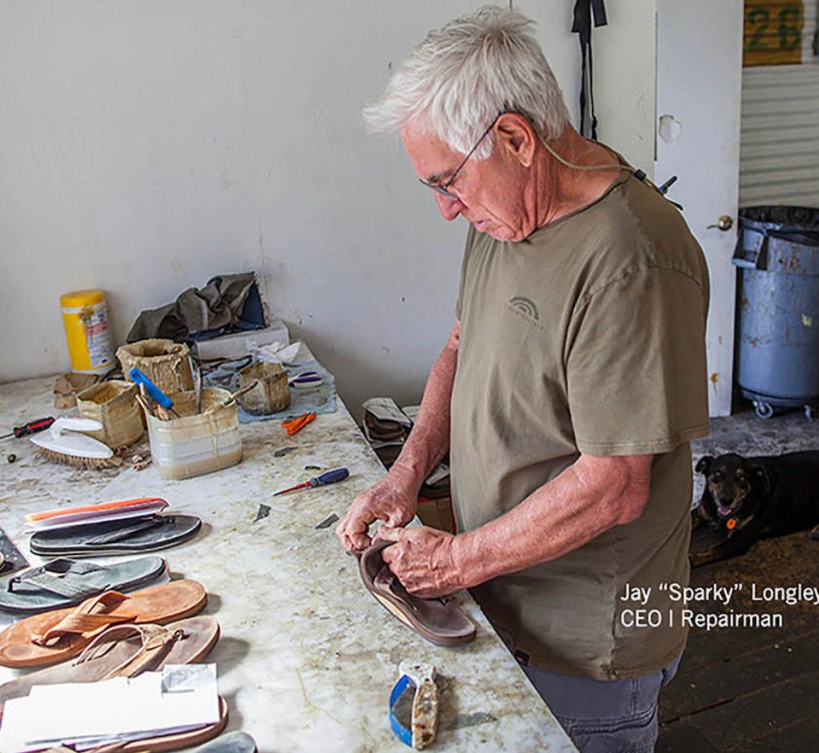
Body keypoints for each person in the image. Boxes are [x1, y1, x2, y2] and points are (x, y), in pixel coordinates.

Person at [336, 6, 710, 752]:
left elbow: (616, 482)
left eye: (448, 181)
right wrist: (406, 475)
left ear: (515, 138)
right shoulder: (501, 216)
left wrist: (455, 558)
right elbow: (460, 343)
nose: (447, 209)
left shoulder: (630, 258)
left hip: (587, 642)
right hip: (502, 599)